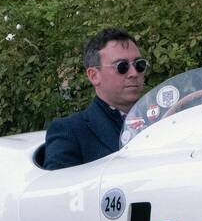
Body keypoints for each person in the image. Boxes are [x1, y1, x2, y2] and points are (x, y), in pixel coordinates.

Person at [43, 28, 149, 170]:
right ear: (94, 76)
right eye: (122, 66)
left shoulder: (161, 119)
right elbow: (58, 188)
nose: (134, 73)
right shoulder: (70, 131)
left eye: (139, 64)